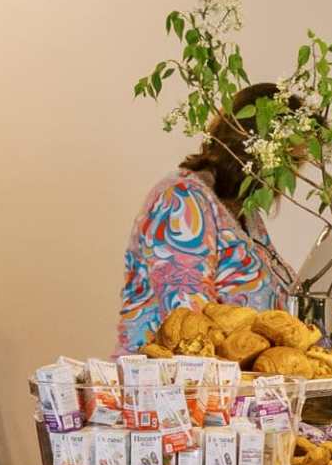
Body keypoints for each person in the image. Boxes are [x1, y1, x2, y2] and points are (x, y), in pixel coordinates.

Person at [119, 85, 293, 348]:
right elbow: (188, 325)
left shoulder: (243, 211)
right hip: (181, 386)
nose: (296, 174)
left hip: (237, 385)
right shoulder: (181, 201)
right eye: (294, 158)